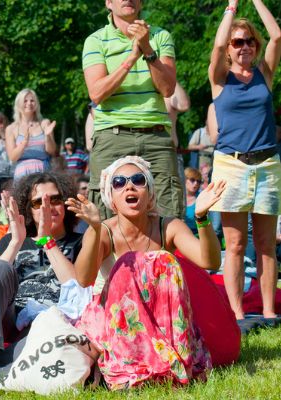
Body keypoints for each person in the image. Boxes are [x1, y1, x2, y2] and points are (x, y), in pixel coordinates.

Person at [68, 156, 224, 389]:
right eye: (119, 182)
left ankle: (165, 360)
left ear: (150, 193)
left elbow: (209, 260)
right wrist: (94, 228)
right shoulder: (102, 229)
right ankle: (132, 366)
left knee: (164, 260)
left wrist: (201, 218)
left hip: (162, 323)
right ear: (111, 197)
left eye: (137, 180)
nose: (129, 186)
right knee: (130, 261)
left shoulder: (167, 226)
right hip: (113, 322)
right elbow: (83, 279)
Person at [0, 171, 83, 379]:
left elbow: (76, 286)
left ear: (65, 203)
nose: (48, 207)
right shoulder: (13, 240)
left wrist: (47, 241)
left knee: (45, 331)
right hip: (13, 317)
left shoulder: (80, 242)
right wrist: (15, 242)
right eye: (38, 203)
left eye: (54, 199)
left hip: (55, 319)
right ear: (29, 210)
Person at [208, 0, 281, 320]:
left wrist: (256, 1)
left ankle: (267, 313)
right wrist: (232, 8)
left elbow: (277, 36)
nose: (244, 47)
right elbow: (219, 42)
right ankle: (236, 313)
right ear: (229, 50)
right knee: (235, 245)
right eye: (238, 42)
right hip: (231, 166)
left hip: (267, 164)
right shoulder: (220, 78)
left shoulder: (264, 74)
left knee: (266, 243)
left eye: (250, 41)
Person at [82, 0, 181, 219]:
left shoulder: (161, 36)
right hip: (112, 136)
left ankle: (163, 256)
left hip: (156, 137)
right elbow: (97, 93)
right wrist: (132, 57)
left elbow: (167, 89)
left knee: (170, 217)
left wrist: (147, 49)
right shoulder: (95, 40)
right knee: (105, 220)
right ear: (109, 3)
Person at [5, 89, 57, 180]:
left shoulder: (44, 123)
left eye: (32, 100)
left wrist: (48, 136)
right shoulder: (11, 129)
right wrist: (24, 142)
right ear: (18, 104)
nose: (29, 103)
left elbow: (52, 151)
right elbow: (13, 157)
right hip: (22, 174)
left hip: (43, 172)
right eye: (25, 101)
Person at [184, 167, 203, 234]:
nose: (196, 183)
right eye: (192, 180)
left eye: (198, 181)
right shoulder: (177, 197)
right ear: (184, 179)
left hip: (195, 233)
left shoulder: (201, 198)